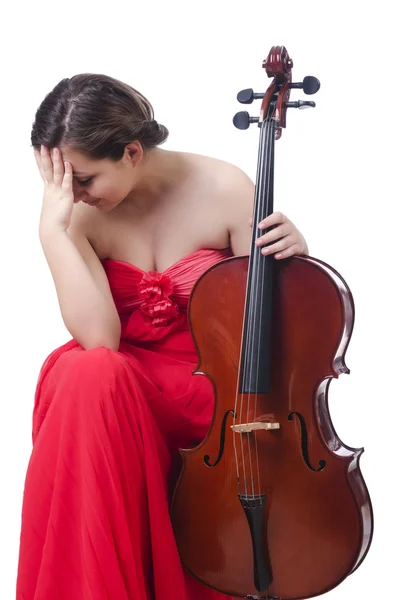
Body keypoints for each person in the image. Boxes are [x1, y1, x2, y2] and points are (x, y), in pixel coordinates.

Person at [16, 73, 309, 600]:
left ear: (131, 152)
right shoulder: (77, 216)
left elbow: (273, 329)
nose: (73, 195)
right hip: (125, 397)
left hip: (215, 400)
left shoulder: (226, 187)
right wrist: (52, 232)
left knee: (94, 375)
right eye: (61, 183)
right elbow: (101, 339)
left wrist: (298, 255)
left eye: (82, 179)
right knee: (86, 371)